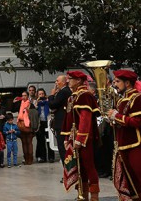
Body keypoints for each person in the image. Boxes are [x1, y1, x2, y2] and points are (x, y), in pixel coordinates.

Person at [61, 70, 100, 201]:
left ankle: (94, 197)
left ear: (78, 81)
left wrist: (80, 139)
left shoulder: (85, 95)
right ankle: (82, 195)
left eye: (70, 78)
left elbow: (85, 119)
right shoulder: (72, 97)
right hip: (74, 137)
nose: (68, 81)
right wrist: (67, 138)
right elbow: (68, 120)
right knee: (80, 168)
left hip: (84, 138)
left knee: (89, 166)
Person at [107, 69, 141, 199]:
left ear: (127, 83)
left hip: (136, 145)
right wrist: (113, 120)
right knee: (131, 183)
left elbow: (138, 122)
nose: (115, 84)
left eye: (118, 81)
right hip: (122, 145)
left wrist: (118, 116)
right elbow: (121, 121)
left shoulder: (137, 98)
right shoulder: (122, 101)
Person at [48, 74, 72, 165]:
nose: (56, 83)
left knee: (63, 148)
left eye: (57, 81)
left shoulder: (63, 92)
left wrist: (51, 95)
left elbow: (53, 104)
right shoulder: (65, 91)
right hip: (63, 123)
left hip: (61, 123)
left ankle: (67, 170)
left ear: (63, 82)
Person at [15, 91, 37, 165]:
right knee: (24, 142)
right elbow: (13, 109)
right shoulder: (19, 104)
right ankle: (26, 158)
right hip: (21, 125)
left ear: (27, 96)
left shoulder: (30, 104)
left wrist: (28, 110)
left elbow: (35, 114)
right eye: (22, 95)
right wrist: (14, 102)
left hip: (28, 125)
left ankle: (30, 159)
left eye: (25, 95)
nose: (23, 97)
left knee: (29, 142)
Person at [34, 88, 55, 163]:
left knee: (49, 140)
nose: (41, 95)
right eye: (40, 94)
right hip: (40, 123)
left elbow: (52, 109)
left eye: (42, 94)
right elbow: (34, 110)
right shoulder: (35, 102)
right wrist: (37, 101)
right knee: (41, 141)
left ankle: (51, 157)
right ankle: (43, 157)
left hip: (48, 122)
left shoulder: (48, 101)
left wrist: (47, 101)